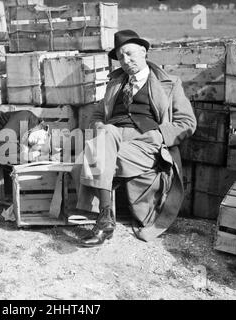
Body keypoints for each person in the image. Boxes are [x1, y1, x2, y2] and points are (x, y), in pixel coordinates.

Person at [72, 30, 197, 247]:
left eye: (129, 54)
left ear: (144, 51)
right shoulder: (115, 84)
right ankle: (106, 218)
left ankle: (103, 218)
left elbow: (187, 123)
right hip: (113, 142)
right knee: (106, 134)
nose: (125, 61)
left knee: (89, 158)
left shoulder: (169, 83)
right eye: (120, 57)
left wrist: (159, 134)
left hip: (147, 146)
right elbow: (97, 115)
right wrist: (99, 125)